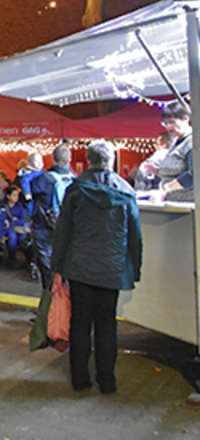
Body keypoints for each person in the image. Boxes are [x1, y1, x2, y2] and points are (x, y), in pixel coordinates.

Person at [52, 140, 142, 395]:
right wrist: (135, 268)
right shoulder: (126, 192)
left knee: (79, 323)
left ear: (89, 160)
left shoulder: (76, 190)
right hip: (111, 268)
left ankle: (80, 379)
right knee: (107, 324)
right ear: (111, 160)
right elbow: (134, 236)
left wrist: (57, 264)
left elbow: (63, 231)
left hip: (79, 267)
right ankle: (107, 380)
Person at [31, 144, 76, 289]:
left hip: (45, 227)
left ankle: (49, 303)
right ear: (69, 160)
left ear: (53, 159)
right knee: (66, 265)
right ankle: (64, 304)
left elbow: (30, 193)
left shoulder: (44, 179)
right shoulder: (75, 180)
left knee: (48, 268)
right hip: (68, 227)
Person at [157, 102, 193, 200]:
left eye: (172, 122)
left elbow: (193, 174)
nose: (168, 127)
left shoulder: (192, 142)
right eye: (165, 123)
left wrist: (166, 189)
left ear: (185, 119)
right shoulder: (176, 142)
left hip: (189, 204)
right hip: (174, 201)